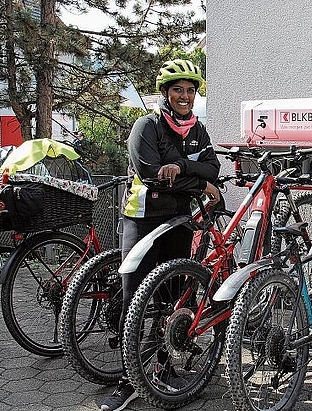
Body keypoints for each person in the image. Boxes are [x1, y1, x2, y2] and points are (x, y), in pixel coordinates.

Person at [101, 59, 221, 411]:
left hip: (180, 219)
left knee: (172, 300)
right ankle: (128, 379)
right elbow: (152, 175)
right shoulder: (146, 126)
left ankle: (164, 368)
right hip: (143, 218)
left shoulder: (197, 130)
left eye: (190, 91)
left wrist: (184, 168)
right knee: (133, 299)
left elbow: (213, 167)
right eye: (177, 90)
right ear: (165, 93)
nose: (185, 97)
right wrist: (201, 183)